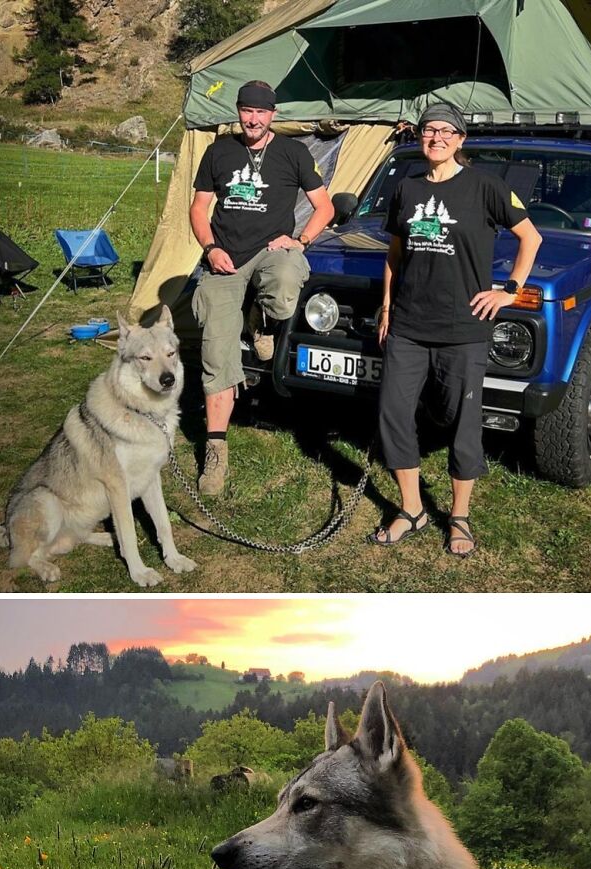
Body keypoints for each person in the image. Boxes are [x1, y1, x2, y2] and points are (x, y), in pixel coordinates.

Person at [370, 102, 542, 556]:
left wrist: (508, 290)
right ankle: (412, 509)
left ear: (461, 140)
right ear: (420, 137)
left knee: (460, 420)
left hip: (465, 328)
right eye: (430, 130)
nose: (437, 137)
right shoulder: (405, 189)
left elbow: (531, 238)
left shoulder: (486, 187)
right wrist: (387, 307)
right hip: (408, 324)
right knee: (393, 413)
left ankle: (459, 515)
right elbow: (395, 254)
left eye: (447, 131)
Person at [190, 80, 335, 494]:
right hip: (226, 257)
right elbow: (199, 207)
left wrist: (301, 240)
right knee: (216, 354)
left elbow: (324, 205)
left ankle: (260, 321)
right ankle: (216, 452)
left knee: (289, 277)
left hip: (273, 251)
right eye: (246, 111)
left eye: (261, 112)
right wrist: (210, 247)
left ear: (273, 115)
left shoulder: (293, 152)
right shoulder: (219, 151)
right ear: (238, 112)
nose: (253, 119)